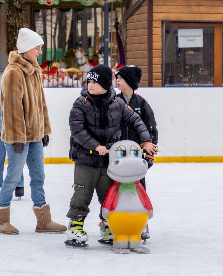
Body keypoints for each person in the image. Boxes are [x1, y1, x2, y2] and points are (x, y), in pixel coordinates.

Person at [64, 64, 159, 247]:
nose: (91, 85)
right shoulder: (81, 103)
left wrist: (145, 141)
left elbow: (136, 121)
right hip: (85, 159)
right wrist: (95, 146)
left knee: (108, 195)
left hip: (107, 160)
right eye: (89, 81)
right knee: (82, 193)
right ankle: (75, 226)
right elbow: (77, 130)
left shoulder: (117, 103)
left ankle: (107, 225)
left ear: (106, 84)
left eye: (95, 82)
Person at [0, 28, 67, 235]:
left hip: (35, 136)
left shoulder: (34, 70)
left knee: (38, 176)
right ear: (26, 48)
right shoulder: (13, 72)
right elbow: (12, 108)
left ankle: (44, 221)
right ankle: (1, 222)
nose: (40, 52)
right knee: (13, 177)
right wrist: (17, 138)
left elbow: (41, 104)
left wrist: (45, 130)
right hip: (18, 138)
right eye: (37, 48)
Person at [115, 64, 157, 240]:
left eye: (120, 78)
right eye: (117, 77)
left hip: (136, 156)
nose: (117, 80)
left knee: (139, 189)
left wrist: (149, 153)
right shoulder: (114, 101)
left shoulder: (141, 103)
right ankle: (113, 222)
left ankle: (142, 223)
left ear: (129, 81)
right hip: (118, 155)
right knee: (115, 189)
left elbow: (151, 128)